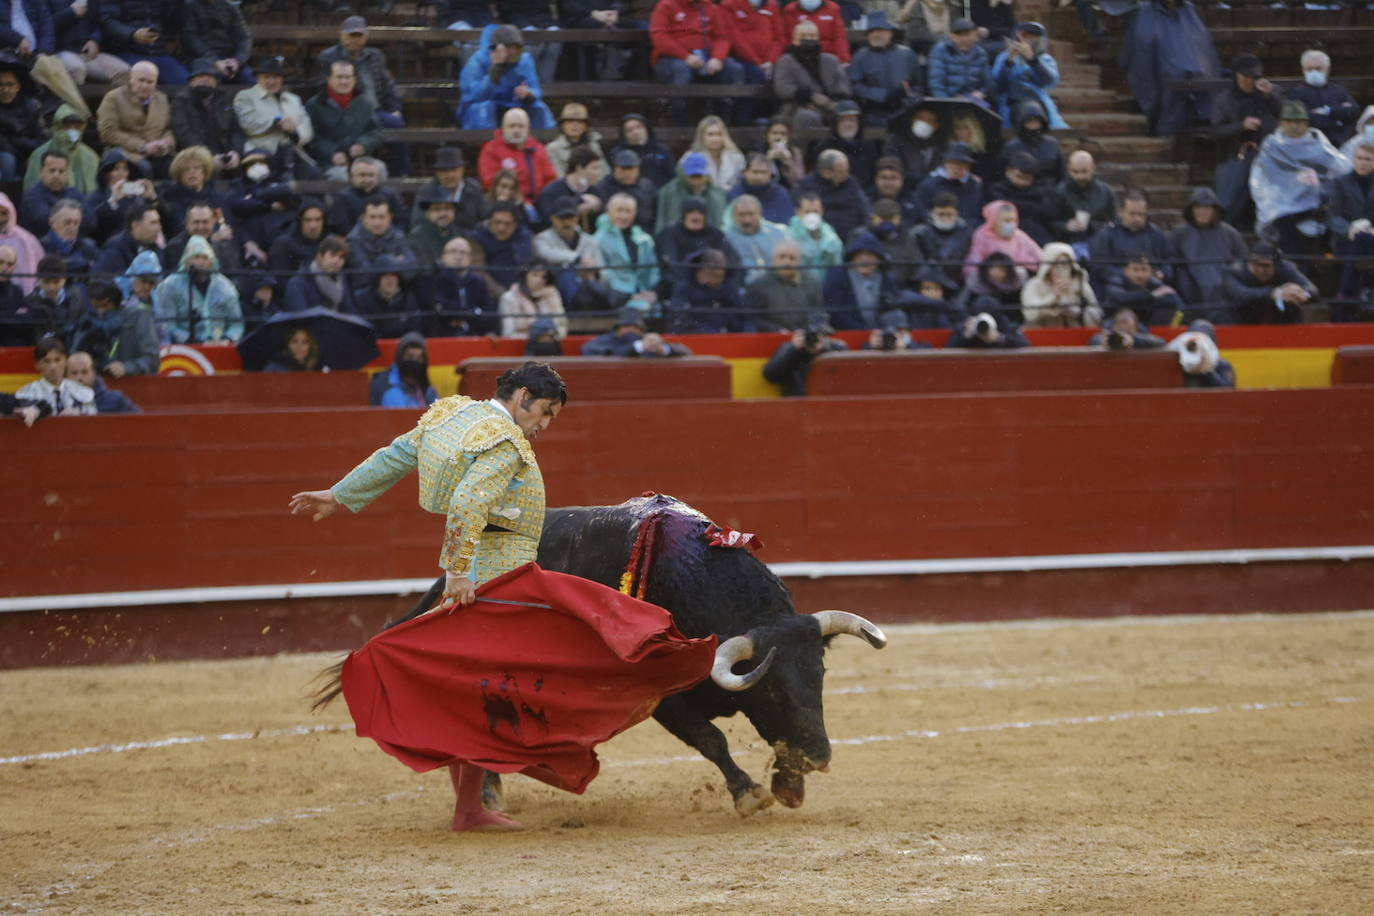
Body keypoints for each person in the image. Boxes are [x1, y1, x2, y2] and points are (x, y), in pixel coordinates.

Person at [289, 361, 568, 833]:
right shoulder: (503, 444)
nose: (544, 425)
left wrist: (340, 495)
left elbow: (397, 454)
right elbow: (466, 504)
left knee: (473, 690)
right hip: (495, 579)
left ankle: (474, 802)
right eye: (544, 412)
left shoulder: (453, 414)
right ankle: (482, 801)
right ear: (521, 396)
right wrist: (458, 572)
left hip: (472, 574)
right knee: (493, 691)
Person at [1249, 101, 1350, 256]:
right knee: (1284, 223)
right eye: (1289, 121)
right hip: (1283, 201)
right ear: (1281, 122)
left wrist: (1318, 183)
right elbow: (1263, 176)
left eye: (1298, 121)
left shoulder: (1316, 142)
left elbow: (1340, 167)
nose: (1294, 126)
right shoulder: (1271, 144)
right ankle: (1297, 262)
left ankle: (1325, 257)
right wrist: (1293, 181)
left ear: (1306, 123)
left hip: (1317, 199)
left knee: (1329, 218)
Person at [317, 16, 408, 177]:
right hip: (345, 111)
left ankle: (401, 175)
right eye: (351, 35)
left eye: (358, 35)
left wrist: (395, 109)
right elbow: (321, 88)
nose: (354, 39)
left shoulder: (375, 56)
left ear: (366, 37)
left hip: (375, 111)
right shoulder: (328, 57)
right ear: (341, 35)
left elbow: (388, 86)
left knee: (396, 123)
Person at [1116, 0, 1219, 137]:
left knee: (1191, 75)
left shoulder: (1189, 12)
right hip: (1159, 72)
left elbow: (1201, 44)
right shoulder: (1144, 14)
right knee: (1172, 75)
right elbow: (1138, 45)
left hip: (1192, 72)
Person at [1211, 53, 1282, 227]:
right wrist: (1241, 126)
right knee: (1232, 191)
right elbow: (1216, 131)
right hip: (1237, 153)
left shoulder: (1270, 92)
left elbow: (1286, 114)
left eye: (1254, 77)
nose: (1250, 81)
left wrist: (1270, 96)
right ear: (1236, 76)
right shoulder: (1225, 99)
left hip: (1269, 152)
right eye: (1246, 77)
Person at [649, 0, 744, 126]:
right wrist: (685, 56)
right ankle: (681, 128)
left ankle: (724, 123)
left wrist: (718, 58)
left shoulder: (711, 7)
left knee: (735, 69)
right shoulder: (666, 5)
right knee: (681, 71)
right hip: (672, 58)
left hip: (706, 57)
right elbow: (659, 36)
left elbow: (722, 37)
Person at [1168, 187, 1247, 323]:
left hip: (1224, 295)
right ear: (1191, 210)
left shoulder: (1230, 233)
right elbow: (1170, 263)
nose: (1202, 212)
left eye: (1207, 208)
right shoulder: (1179, 234)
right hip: (1191, 294)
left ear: (1215, 210)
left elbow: (1244, 261)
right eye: (1198, 207)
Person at [457, 25, 555, 131]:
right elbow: (473, 96)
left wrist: (528, 94)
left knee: (539, 108)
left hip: (514, 105)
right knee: (483, 109)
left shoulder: (524, 60)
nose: (512, 52)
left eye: (515, 48)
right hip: (484, 106)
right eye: (508, 47)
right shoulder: (478, 61)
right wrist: (495, 71)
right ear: (495, 47)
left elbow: (536, 90)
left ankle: (539, 142)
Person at [153, 234, 242, 343]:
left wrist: (227, 339)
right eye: (196, 257)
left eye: (205, 258)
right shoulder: (169, 286)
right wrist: (195, 341)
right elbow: (167, 325)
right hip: (186, 349)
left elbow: (236, 324)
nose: (200, 263)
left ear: (211, 261)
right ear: (186, 260)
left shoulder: (225, 287)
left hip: (220, 346)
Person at [233, 56, 315, 173]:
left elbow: (307, 129)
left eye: (276, 77)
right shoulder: (245, 97)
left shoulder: (293, 99)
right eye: (266, 77)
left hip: (293, 154)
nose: (271, 81)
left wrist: (294, 132)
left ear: (281, 79)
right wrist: (276, 122)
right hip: (261, 154)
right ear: (257, 78)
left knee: (314, 175)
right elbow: (248, 125)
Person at [306, 60, 383, 181]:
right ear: (329, 79)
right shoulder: (314, 104)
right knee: (340, 176)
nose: (344, 81)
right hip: (327, 162)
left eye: (348, 77)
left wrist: (363, 145)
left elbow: (375, 132)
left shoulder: (364, 103)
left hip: (360, 160)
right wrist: (332, 153)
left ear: (354, 80)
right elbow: (311, 138)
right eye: (339, 77)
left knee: (380, 170)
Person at [96, 60, 174, 177]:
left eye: (150, 82)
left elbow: (169, 129)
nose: (145, 85)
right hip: (125, 153)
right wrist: (142, 147)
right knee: (143, 168)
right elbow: (108, 132)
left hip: (157, 154)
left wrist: (166, 143)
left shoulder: (162, 99)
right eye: (141, 80)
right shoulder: (113, 98)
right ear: (131, 79)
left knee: (176, 167)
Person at [68, 275, 158, 375]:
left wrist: (126, 367)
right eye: (96, 306)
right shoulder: (87, 321)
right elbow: (74, 357)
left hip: (132, 382)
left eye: (105, 305)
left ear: (116, 302)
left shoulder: (138, 317)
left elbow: (152, 360)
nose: (100, 311)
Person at [772, 19, 850, 134]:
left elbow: (842, 85)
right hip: (798, 106)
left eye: (812, 35)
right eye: (803, 35)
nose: (808, 38)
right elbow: (783, 88)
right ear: (794, 39)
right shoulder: (785, 61)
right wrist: (811, 96)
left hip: (830, 104)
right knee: (807, 117)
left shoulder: (831, 60)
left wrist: (834, 101)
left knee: (849, 111)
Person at [848, 11, 922, 127]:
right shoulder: (860, 56)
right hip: (873, 111)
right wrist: (883, 95)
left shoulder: (907, 54)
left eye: (880, 30)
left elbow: (918, 85)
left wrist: (910, 98)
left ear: (890, 33)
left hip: (904, 109)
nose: (876, 34)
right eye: (871, 31)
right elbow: (855, 86)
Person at [416, 235, 498, 337]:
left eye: (463, 252)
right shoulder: (432, 279)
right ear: (443, 256)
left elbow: (489, 314)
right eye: (453, 251)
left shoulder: (478, 282)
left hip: (474, 337)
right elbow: (440, 308)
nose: (458, 256)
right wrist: (474, 312)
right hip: (441, 338)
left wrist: (460, 316)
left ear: (470, 259)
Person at [990, 21, 1065, 131]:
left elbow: (1050, 82)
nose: (1028, 41)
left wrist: (1033, 60)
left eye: (1034, 37)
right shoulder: (1004, 56)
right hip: (1009, 101)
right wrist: (1009, 62)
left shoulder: (1045, 58)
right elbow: (997, 84)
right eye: (1024, 36)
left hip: (1037, 99)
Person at [533, 197, 606, 308]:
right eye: (562, 218)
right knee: (566, 274)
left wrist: (594, 272)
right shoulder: (542, 238)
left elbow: (604, 272)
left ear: (577, 218)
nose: (566, 222)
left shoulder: (590, 240)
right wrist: (578, 259)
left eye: (570, 217)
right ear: (552, 219)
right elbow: (545, 253)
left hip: (588, 290)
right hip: (557, 293)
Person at [656, 196, 737, 294]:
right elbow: (670, 263)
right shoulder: (670, 233)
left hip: (712, 283)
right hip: (679, 283)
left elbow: (731, 259)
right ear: (683, 216)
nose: (696, 217)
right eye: (691, 212)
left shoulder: (715, 233)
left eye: (700, 213)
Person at [1221, 242, 1317, 325]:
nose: (1261, 270)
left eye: (1266, 266)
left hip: (1283, 324)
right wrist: (1274, 293)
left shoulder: (1286, 268)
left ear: (1277, 265)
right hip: (1242, 324)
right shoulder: (1234, 271)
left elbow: (1312, 290)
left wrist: (1301, 293)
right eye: (1256, 265)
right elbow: (1240, 293)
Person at [477, 108, 557, 206]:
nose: (516, 130)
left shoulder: (538, 148)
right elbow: (489, 181)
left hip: (538, 202)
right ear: (503, 128)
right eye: (512, 126)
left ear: (528, 128)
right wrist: (516, 198)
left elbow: (550, 179)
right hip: (505, 202)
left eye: (521, 126)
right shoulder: (491, 149)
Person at [593, 192, 659, 311]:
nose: (623, 216)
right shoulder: (598, 239)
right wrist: (628, 296)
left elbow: (652, 272)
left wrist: (652, 292)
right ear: (608, 211)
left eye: (628, 211)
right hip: (613, 296)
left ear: (635, 213)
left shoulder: (644, 239)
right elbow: (602, 274)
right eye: (619, 210)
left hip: (642, 294)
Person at [170, 59, 242, 168]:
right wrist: (207, 156)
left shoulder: (224, 100)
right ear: (191, 82)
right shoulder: (180, 101)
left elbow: (236, 129)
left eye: (209, 76)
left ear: (216, 81)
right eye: (199, 76)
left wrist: (236, 152)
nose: (204, 79)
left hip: (225, 154)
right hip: (194, 156)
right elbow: (184, 134)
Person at [1329, 142, 1374, 314]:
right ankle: (1360, 292)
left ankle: (1344, 295)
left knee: (1365, 239)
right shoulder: (1340, 183)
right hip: (1347, 239)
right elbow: (1332, 218)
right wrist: (1349, 228)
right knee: (1359, 239)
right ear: (1353, 160)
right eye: (1359, 158)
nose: (1362, 162)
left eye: (1367, 159)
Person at [824, 231, 901, 330]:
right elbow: (836, 312)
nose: (864, 259)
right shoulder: (837, 275)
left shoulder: (886, 277)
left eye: (870, 254)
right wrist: (862, 330)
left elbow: (891, 308)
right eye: (859, 255)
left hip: (881, 334)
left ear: (878, 258)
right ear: (852, 258)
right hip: (849, 334)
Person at [762, 309, 847, 396]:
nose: (816, 339)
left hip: (829, 401)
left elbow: (846, 377)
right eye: (813, 335)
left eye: (822, 335)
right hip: (796, 403)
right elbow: (770, 376)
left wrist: (824, 351)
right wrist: (793, 350)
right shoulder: (790, 348)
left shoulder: (836, 348)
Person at [48, 0, 132, 86]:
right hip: (62, 52)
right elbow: (45, 26)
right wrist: (71, 13)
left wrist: (95, 39)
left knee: (124, 71)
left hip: (90, 54)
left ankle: (110, 99)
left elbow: (103, 21)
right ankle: (74, 100)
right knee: (76, 69)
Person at [745, 239, 822, 331]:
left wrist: (807, 331)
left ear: (799, 261)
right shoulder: (758, 285)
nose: (787, 262)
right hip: (770, 338)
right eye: (782, 257)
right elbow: (754, 319)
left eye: (792, 258)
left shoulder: (812, 283)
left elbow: (817, 313)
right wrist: (777, 330)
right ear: (773, 260)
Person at [101, 0, 188, 83]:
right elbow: (108, 21)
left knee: (185, 84)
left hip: (160, 52)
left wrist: (171, 38)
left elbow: (174, 19)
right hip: (127, 51)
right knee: (138, 84)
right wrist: (132, 34)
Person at [665, 247, 747, 334]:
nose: (720, 275)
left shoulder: (728, 287)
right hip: (698, 337)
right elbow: (679, 319)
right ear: (703, 269)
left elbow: (744, 315)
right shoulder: (685, 288)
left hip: (730, 337)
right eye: (715, 272)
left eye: (722, 271)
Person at [793, 149, 870, 242]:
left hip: (852, 237)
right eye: (841, 171)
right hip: (819, 238)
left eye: (847, 170)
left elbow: (864, 209)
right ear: (826, 172)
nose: (846, 175)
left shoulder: (852, 183)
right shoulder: (806, 187)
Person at [1287, 49, 1359, 148]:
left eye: (1318, 68)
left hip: (1340, 143)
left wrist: (1328, 111)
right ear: (1303, 70)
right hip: (1310, 144)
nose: (1314, 72)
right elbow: (1302, 118)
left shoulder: (1338, 90)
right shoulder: (1296, 93)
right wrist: (1337, 121)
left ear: (1327, 69)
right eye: (1309, 69)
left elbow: (1354, 111)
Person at [408, 147, 489, 232]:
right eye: (445, 171)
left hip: (469, 240)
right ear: (437, 172)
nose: (450, 175)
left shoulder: (473, 189)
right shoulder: (426, 191)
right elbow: (417, 223)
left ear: (462, 170)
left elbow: (484, 219)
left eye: (454, 169)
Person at [1020, 242, 1101, 328]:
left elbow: (1097, 315)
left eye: (1064, 264)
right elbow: (1029, 314)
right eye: (1054, 265)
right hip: (1043, 335)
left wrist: (1078, 313)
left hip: (1075, 335)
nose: (1059, 269)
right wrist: (1051, 300)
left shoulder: (1081, 285)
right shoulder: (1034, 285)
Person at [22, 102, 98, 193]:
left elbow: (97, 192)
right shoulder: (40, 154)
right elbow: (32, 191)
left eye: (77, 127)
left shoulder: (90, 156)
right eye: (67, 126)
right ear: (57, 127)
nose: (72, 130)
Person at [963, 200, 1042, 283]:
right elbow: (973, 264)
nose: (1011, 224)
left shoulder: (1019, 235)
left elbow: (1038, 254)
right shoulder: (981, 236)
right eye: (1006, 220)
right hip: (989, 281)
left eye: (1013, 220)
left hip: (1019, 281)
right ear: (993, 221)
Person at [987, 150, 1054, 247]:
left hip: (1037, 236)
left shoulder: (1039, 189)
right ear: (1008, 171)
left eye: (1027, 179)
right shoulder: (997, 188)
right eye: (1019, 177)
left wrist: (1017, 204)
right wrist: (1030, 205)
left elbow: (1047, 210)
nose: (1022, 182)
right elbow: (1003, 209)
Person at [15, 334, 96, 414]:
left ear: (66, 361)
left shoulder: (82, 391)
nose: (53, 367)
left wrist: (79, 414)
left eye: (57, 360)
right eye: (46, 361)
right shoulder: (26, 393)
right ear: (37, 365)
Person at [326, 156, 405, 237]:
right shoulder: (342, 197)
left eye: (371, 175)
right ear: (352, 177)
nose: (367, 180)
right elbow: (340, 227)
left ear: (377, 177)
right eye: (362, 175)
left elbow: (400, 222)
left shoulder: (390, 195)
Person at [347, 197, 419, 285]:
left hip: (398, 287)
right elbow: (363, 276)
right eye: (372, 217)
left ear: (390, 218)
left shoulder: (398, 235)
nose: (377, 222)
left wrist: (377, 263)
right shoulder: (353, 240)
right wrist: (391, 260)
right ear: (363, 218)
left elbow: (412, 267)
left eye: (382, 217)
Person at [1102, 253, 1183, 327]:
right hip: (1115, 325)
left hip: (1149, 325)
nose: (1140, 275)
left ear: (1151, 271)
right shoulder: (1116, 281)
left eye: (1144, 269)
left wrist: (1142, 300)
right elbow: (1120, 298)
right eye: (1135, 270)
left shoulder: (1155, 284)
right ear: (1126, 271)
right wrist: (1150, 296)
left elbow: (1173, 300)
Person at [181, 0, 251, 85]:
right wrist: (214, 60)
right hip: (201, 59)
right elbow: (191, 38)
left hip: (229, 58)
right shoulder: (191, 6)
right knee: (212, 79)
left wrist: (237, 60)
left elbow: (244, 38)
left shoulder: (230, 7)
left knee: (249, 79)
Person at [159, 145, 224, 236]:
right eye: (186, 169)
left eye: (196, 168)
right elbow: (179, 228)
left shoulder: (215, 195)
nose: (192, 172)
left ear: (205, 171)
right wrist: (214, 236)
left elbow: (224, 222)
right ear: (179, 174)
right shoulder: (172, 197)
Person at [655, 152, 726, 234]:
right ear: (685, 174)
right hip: (675, 240)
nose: (695, 180)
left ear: (706, 175)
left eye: (699, 176)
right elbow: (660, 221)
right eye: (692, 176)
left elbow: (720, 224)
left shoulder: (717, 194)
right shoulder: (668, 191)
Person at [536, 145, 605, 230]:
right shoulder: (551, 191)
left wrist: (597, 207)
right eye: (594, 168)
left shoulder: (596, 191)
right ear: (579, 168)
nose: (599, 173)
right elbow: (548, 220)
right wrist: (578, 203)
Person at [997, 99, 1063, 187]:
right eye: (1029, 121)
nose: (1033, 125)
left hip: (1047, 191)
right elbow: (1001, 175)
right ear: (1021, 123)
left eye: (1036, 121)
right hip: (1018, 191)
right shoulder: (1011, 147)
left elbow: (1062, 174)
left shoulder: (1052, 144)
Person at [915, 142, 985, 224]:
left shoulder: (975, 186)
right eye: (952, 163)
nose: (956, 167)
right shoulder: (928, 185)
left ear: (968, 166)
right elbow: (921, 213)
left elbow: (978, 215)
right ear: (945, 163)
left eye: (962, 164)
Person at [725, 193, 788, 284]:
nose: (747, 220)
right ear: (734, 215)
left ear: (760, 213)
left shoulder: (777, 233)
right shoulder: (726, 237)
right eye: (741, 215)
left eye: (751, 214)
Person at [283, 235, 355, 314]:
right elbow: (299, 318)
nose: (336, 261)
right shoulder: (298, 283)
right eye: (332, 255)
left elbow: (350, 313)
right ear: (320, 256)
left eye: (341, 257)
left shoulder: (341, 279)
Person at [92, 199, 165, 277]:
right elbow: (99, 281)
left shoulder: (156, 250)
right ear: (135, 225)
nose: (159, 228)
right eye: (153, 223)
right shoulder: (114, 249)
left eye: (159, 222)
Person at [582, 306, 692, 357]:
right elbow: (587, 350)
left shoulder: (650, 342)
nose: (631, 330)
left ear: (641, 331)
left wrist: (663, 349)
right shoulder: (609, 340)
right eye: (626, 326)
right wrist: (638, 347)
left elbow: (686, 352)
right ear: (617, 330)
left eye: (635, 327)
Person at [0, 61, 44, 183]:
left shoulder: (31, 106)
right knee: (7, 159)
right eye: (0, 85)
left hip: (26, 151)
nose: (5, 90)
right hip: (5, 153)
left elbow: (41, 139)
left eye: (9, 84)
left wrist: (18, 142)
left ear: (17, 87)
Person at [593, 149, 657, 233]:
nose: (627, 173)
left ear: (638, 169)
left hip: (643, 233)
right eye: (623, 169)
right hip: (611, 233)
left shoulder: (648, 186)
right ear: (615, 168)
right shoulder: (603, 188)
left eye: (631, 169)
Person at [607, 113, 676, 191]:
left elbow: (672, 177)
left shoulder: (662, 150)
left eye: (639, 127)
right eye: (629, 130)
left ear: (647, 128)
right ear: (624, 135)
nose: (636, 132)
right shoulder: (617, 153)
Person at [20, 149, 82, 235]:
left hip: (74, 241)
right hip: (41, 243)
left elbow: (90, 221)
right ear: (41, 172)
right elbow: (44, 222)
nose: (56, 175)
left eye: (61, 171)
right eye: (52, 170)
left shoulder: (74, 193)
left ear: (67, 173)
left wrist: (65, 221)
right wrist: (74, 220)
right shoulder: (31, 195)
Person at [927, 17, 989, 101]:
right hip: (949, 101)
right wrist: (950, 102)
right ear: (951, 36)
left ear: (975, 35)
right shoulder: (940, 50)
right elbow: (936, 85)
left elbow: (988, 83)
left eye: (967, 34)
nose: (963, 38)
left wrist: (982, 92)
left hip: (974, 101)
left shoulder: (981, 53)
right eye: (959, 35)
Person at [269, 199, 327, 288]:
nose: (313, 225)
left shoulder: (328, 243)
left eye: (318, 220)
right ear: (300, 221)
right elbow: (280, 283)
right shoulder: (283, 244)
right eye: (308, 220)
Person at [498, 260, 565, 339]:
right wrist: (538, 338)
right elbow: (508, 334)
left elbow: (562, 327)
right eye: (535, 275)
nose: (539, 280)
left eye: (544, 277)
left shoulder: (551, 294)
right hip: (521, 348)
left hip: (549, 346)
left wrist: (554, 299)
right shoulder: (509, 298)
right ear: (525, 276)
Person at [369, 330, 437, 407]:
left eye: (419, 357)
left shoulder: (426, 387)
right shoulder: (382, 383)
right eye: (410, 356)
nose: (414, 361)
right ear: (400, 357)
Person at [680, 116, 747, 192]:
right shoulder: (690, 157)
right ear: (702, 136)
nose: (715, 139)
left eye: (719, 134)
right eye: (710, 134)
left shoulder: (736, 157)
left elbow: (742, 184)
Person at [544, 102, 608, 180]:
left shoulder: (593, 146)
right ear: (562, 125)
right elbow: (557, 177)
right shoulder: (552, 148)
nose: (575, 125)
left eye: (580, 122)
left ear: (586, 126)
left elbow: (604, 173)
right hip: (564, 190)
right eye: (570, 121)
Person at [729, 152, 794, 227]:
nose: (759, 177)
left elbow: (787, 223)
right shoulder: (735, 193)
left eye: (763, 172)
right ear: (745, 172)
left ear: (770, 174)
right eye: (755, 172)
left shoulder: (781, 194)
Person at [777, 0, 850, 66]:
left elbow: (839, 38)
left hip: (827, 57)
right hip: (799, 59)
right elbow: (786, 38)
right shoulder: (790, 9)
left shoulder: (833, 8)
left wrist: (843, 59)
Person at [882, 102, 941, 184]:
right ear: (912, 120)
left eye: (930, 120)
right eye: (920, 118)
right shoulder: (896, 141)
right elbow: (893, 167)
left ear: (936, 125)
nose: (924, 123)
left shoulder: (940, 147)